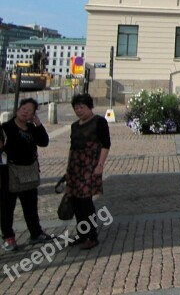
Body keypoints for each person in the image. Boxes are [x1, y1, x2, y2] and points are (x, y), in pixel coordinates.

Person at [0, 98, 53, 252]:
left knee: (30, 205)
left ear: (33, 115)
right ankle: (8, 237)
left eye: (30, 111)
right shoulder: (6, 128)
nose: (25, 112)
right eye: (23, 108)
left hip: (29, 171)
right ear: (18, 110)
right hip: (10, 172)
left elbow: (44, 142)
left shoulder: (31, 128)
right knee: (7, 207)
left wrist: (38, 124)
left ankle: (36, 233)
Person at [66, 94, 110, 250]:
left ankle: (92, 236)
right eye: (76, 108)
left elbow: (106, 144)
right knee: (76, 202)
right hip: (75, 167)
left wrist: (100, 165)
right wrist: (68, 170)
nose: (79, 111)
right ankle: (81, 234)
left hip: (90, 165)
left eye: (81, 107)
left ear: (89, 107)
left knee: (86, 202)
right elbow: (72, 147)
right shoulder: (74, 126)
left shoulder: (99, 122)